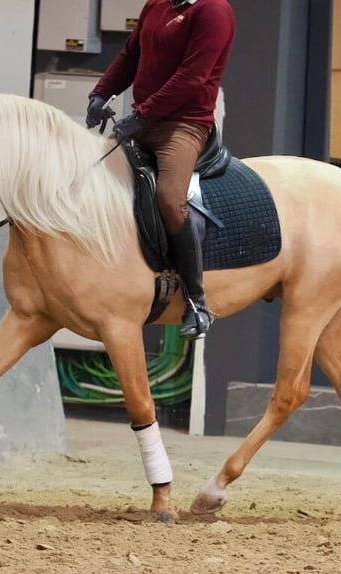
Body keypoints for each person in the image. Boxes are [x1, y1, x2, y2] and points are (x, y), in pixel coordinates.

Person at [86, 0, 235, 340]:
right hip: (145, 118)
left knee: (169, 199)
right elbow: (130, 55)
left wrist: (142, 114)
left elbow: (192, 77)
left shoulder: (213, 10)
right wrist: (101, 93)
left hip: (184, 125)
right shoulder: (157, 4)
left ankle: (197, 302)